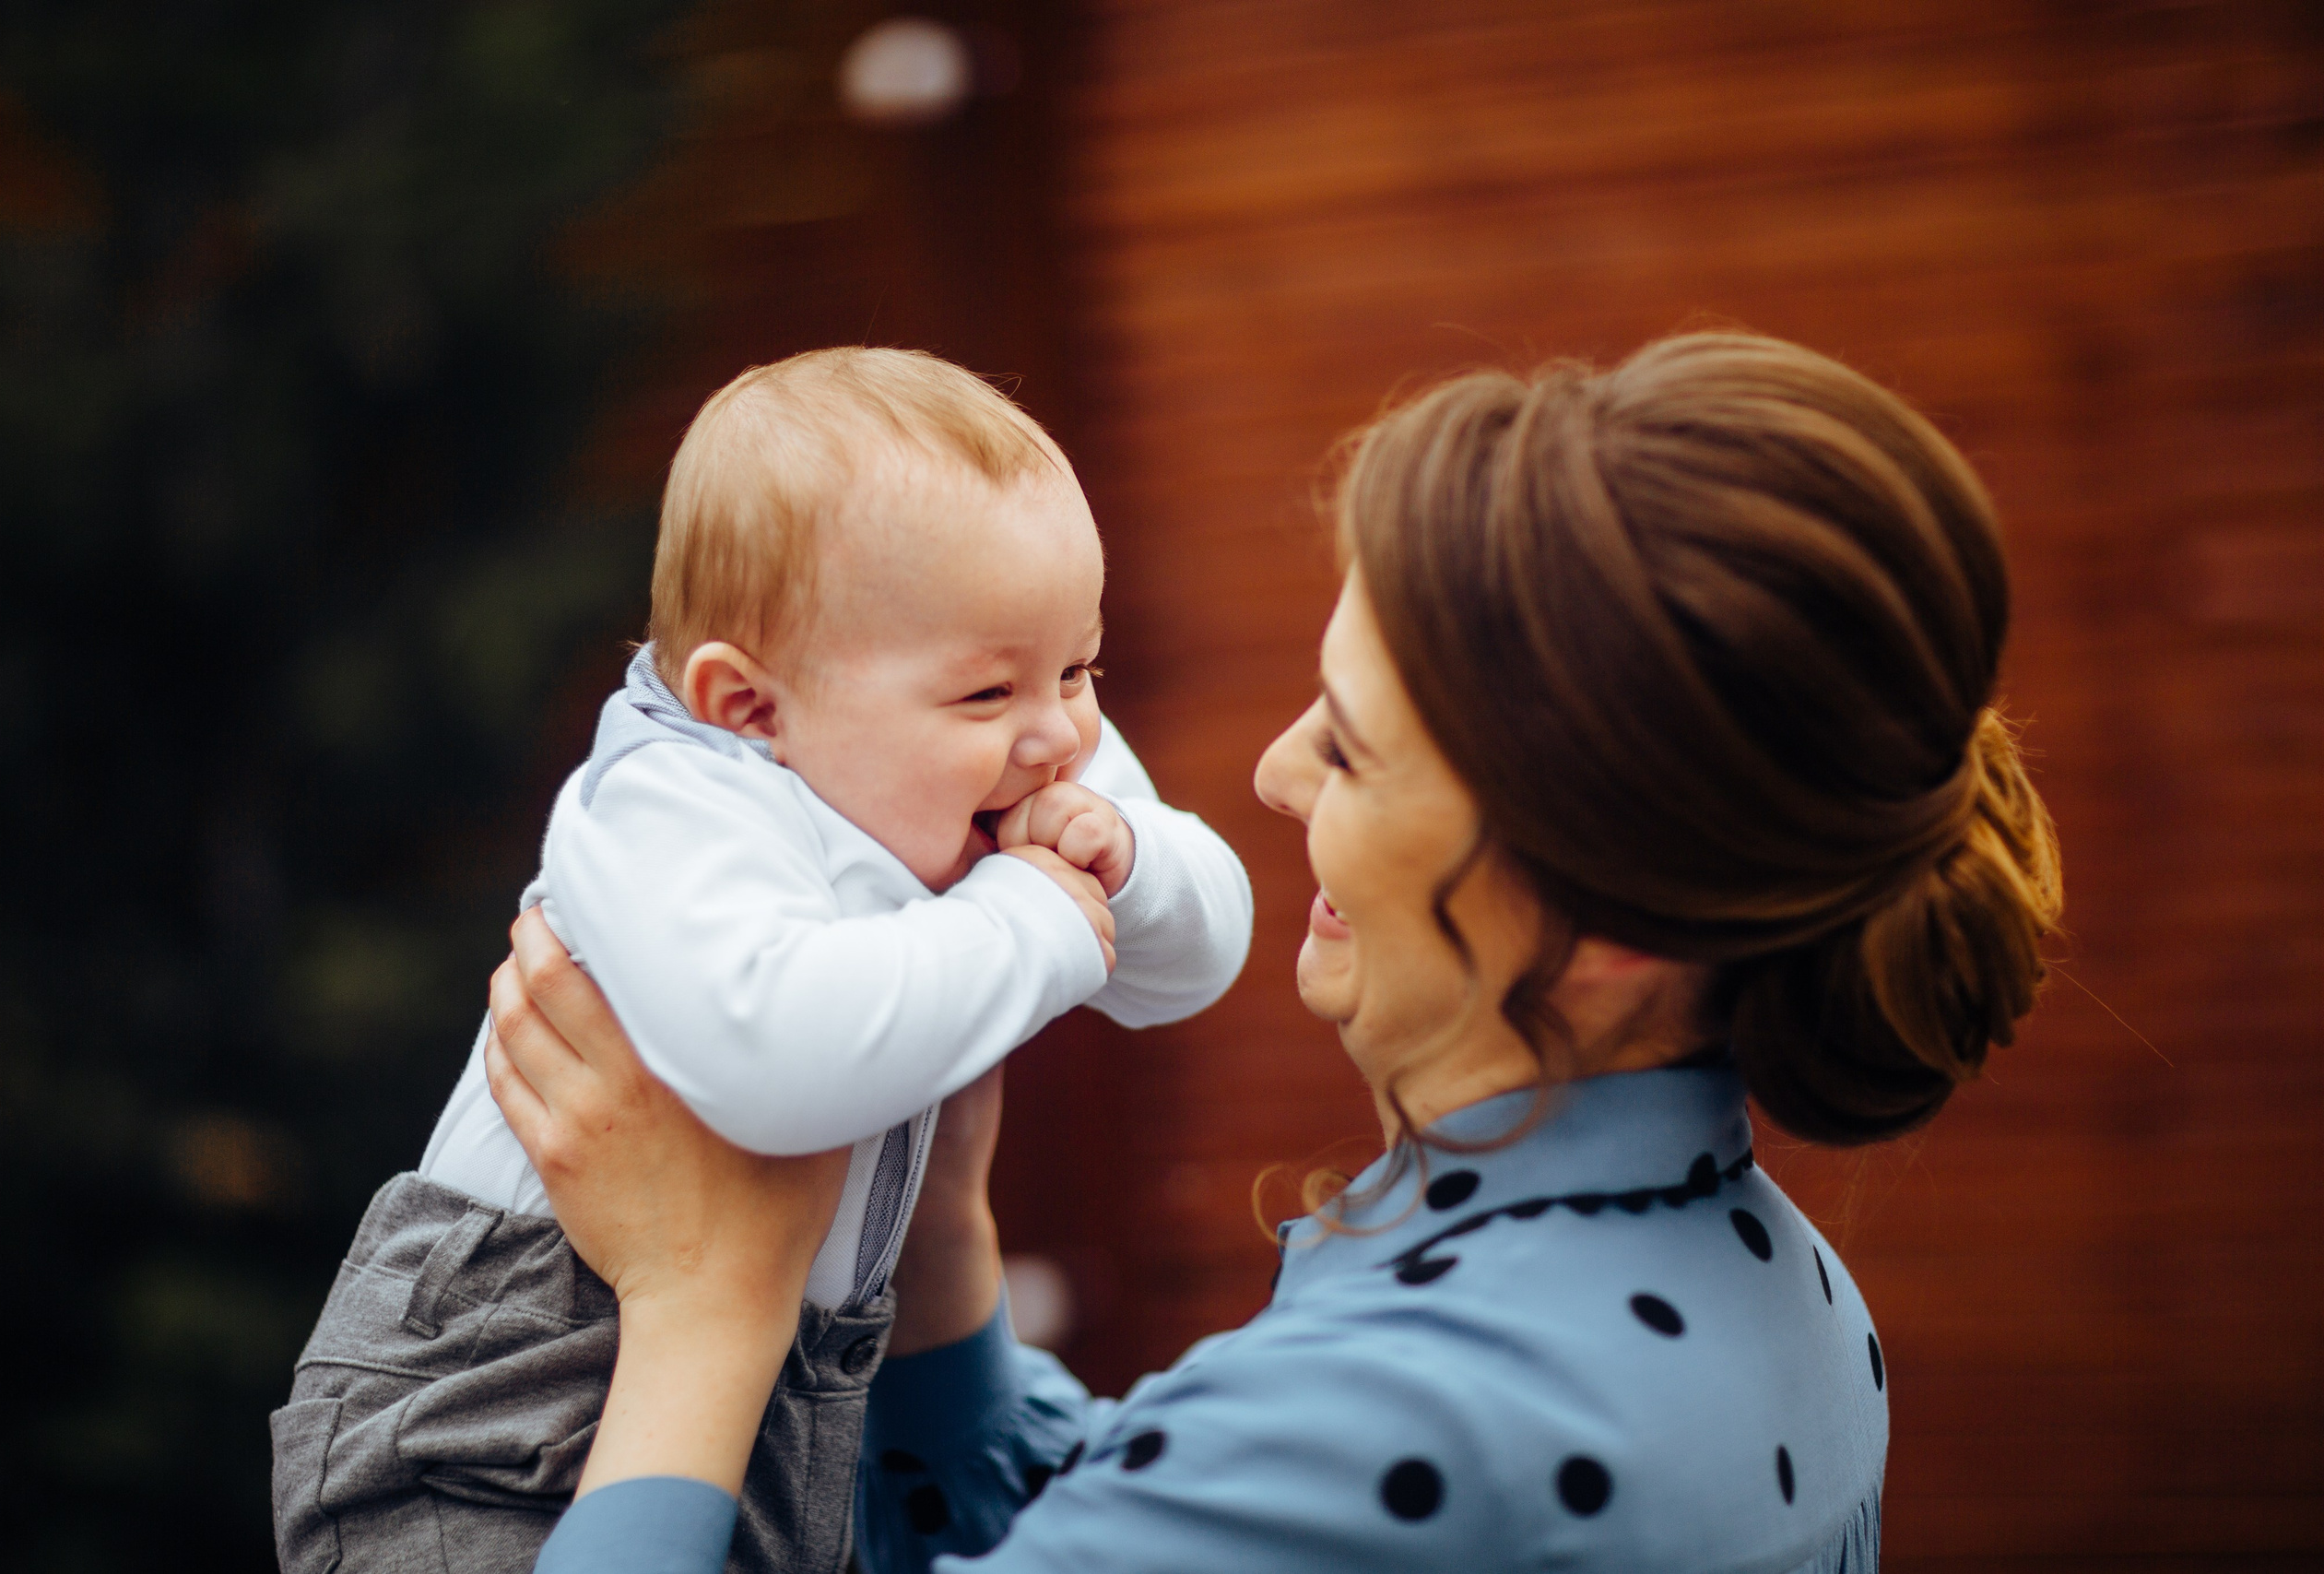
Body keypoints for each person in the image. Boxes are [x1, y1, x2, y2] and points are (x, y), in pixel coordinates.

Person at [482, 333, 2063, 1572]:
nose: (1273, 774)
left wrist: (702, 1310)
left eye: (1358, 753)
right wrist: (949, 1241)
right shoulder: (1772, 1286)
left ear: (1611, 933)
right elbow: (1131, 1526)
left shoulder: (1419, 1419)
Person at [270, 349, 1254, 1574]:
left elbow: (1199, 959)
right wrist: (1036, 916)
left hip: (780, 1362)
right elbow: (783, 1064)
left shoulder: (990, 750)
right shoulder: (671, 803)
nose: (1059, 732)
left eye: (1080, 666)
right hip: (499, 1389)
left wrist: (1128, 863)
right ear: (748, 706)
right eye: (989, 690)